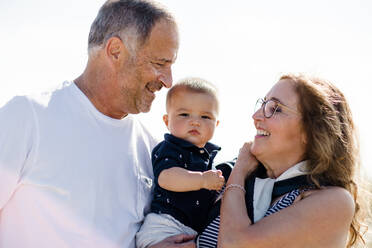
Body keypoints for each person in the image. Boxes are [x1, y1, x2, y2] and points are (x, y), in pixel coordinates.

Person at [0, 0, 195, 247]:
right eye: (159, 63)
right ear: (115, 51)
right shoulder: (27, 118)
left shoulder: (153, 149)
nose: (168, 81)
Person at [197, 73, 366, 248]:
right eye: (263, 104)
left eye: (275, 108)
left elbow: (234, 244)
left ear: (311, 131)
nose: (256, 116)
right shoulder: (224, 177)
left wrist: (239, 170)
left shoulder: (333, 200)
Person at [136, 78, 225, 247]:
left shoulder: (207, 158)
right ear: (166, 120)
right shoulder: (171, 148)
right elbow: (167, 177)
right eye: (184, 114)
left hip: (188, 230)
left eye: (205, 116)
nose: (195, 121)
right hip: (164, 226)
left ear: (216, 124)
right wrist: (202, 180)